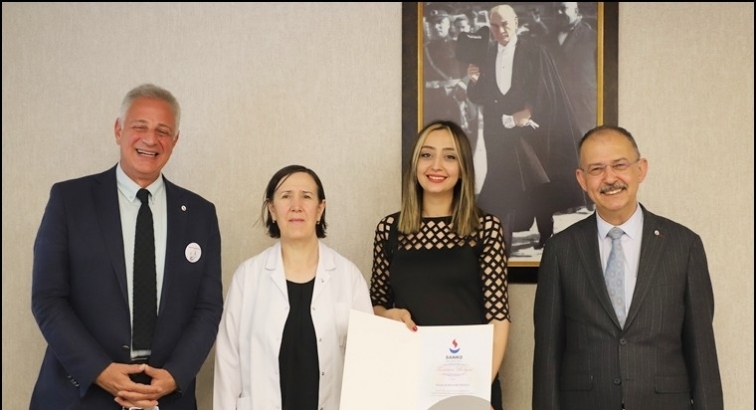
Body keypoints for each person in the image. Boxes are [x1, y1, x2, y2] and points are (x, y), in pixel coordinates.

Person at [30, 83, 223, 409]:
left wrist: (175, 375)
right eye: (140, 127)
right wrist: (99, 371)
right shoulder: (70, 200)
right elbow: (48, 299)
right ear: (118, 130)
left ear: (175, 141)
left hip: (165, 397)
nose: (151, 139)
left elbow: (208, 308)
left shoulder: (200, 214)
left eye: (163, 131)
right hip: (79, 395)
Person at [533, 125, 724, 410]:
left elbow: (702, 350)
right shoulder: (561, 250)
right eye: (596, 169)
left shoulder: (684, 245)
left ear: (641, 169)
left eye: (620, 165)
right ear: (582, 179)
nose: (610, 178)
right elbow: (547, 353)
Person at [370, 120, 511, 410]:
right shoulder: (389, 229)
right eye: (426, 154)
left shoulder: (485, 227)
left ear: (463, 168)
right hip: (407, 380)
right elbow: (376, 306)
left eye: (449, 156)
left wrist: (477, 392)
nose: (436, 165)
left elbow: (498, 317)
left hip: (469, 381)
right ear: (415, 163)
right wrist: (390, 315)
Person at [213, 165, 373, 410]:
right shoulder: (248, 277)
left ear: (320, 209)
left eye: (306, 197)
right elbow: (228, 364)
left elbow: (366, 361)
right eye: (286, 196)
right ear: (272, 209)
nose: (296, 206)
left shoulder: (348, 276)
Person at [467, 4, 585, 253]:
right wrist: (475, 81)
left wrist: (528, 112)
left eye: (505, 25)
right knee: (503, 182)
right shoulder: (486, 55)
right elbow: (480, 97)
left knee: (537, 182)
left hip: (530, 130)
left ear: (516, 23)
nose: (500, 31)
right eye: (494, 26)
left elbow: (544, 89)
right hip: (498, 132)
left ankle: (546, 232)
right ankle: (503, 240)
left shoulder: (535, 52)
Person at [542, 2, 597, 136]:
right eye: (556, 9)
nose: (559, 12)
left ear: (576, 11)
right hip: (555, 114)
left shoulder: (594, 38)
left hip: (583, 113)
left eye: (563, 8)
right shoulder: (546, 40)